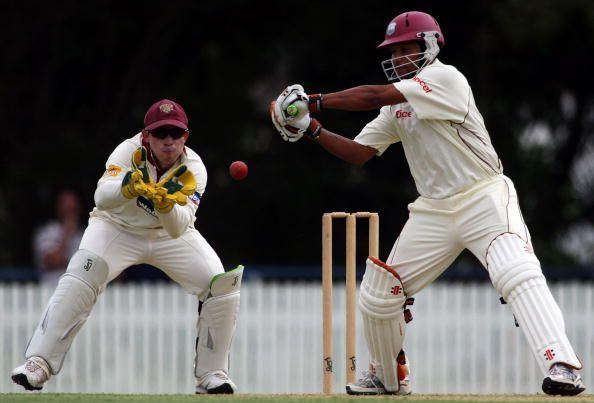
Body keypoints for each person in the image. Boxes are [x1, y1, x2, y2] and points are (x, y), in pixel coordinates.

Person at [270, 11, 585, 397]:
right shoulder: (397, 108)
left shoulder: (445, 78)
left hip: (484, 196)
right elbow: (359, 153)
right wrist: (310, 130)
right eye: (394, 51)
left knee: (514, 270)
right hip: (433, 210)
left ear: (430, 46)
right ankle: (387, 378)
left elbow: (373, 95)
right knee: (378, 291)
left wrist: (312, 102)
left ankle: (562, 365)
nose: (399, 57)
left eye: (407, 49)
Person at [12, 99, 243, 394]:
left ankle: (212, 375)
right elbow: (100, 197)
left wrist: (163, 203)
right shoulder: (128, 151)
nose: (169, 142)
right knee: (83, 273)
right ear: (146, 136)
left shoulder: (194, 169)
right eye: (161, 134)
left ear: (186, 136)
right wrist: (128, 186)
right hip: (116, 226)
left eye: (176, 134)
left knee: (220, 284)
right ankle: (38, 364)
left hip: (167, 234)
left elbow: (177, 226)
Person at [33, 189, 84, 287]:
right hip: (51, 291)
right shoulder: (46, 233)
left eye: (73, 209)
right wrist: (67, 234)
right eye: (67, 208)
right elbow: (53, 262)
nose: (70, 213)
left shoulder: (84, 235)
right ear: (59, 209)